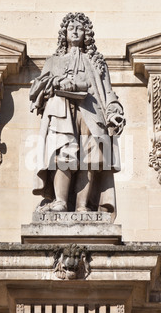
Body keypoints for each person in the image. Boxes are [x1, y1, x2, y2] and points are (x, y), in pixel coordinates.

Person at [29, 12, 125, 220]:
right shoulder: (53, 61)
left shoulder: (97, 63)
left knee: (90, 160)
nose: (75, 31)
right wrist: (55, 82)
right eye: (70, 27)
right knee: (63, 153)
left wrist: (115, 112)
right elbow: (35, 88)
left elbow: (108, 93)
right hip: (61, 110)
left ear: (86, 34)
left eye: (79, 28)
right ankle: (61, 201)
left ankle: (82, 207)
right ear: (64, 33)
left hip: (90, 112)